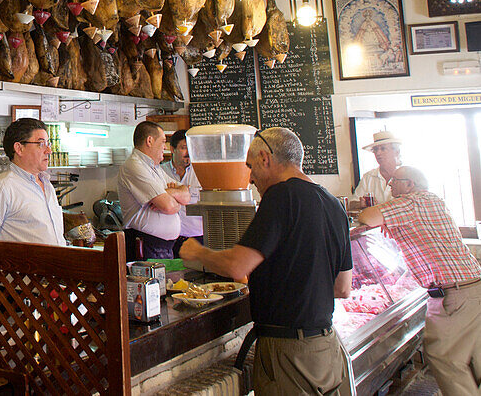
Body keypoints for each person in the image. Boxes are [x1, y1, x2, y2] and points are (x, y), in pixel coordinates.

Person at [180, 127, 353, 395]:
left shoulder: (281, 196)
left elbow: (237, 266)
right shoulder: (333, 203)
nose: (249, 178)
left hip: (288, 352)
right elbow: (342, 287)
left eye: (250, 167)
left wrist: (196, 252)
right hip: (326, 347)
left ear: (265, 158)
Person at [357, 166, 481, 395]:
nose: (389, 185)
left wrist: (381, 217)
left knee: (445, 359)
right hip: (471, 286)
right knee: (475, 360)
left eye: (394, 181)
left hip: (454, 296)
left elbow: (366, 216)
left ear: (410, 185)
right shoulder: (432, 200)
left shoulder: (410, 203)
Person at [0, 118, 65, 246]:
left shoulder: (47, 185)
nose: (48, 151)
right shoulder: (0, 188)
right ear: (19, 148)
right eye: (41, 144)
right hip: (20, 266)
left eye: (48, 143)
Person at [117, 121, 190, 259]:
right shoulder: (134, 166)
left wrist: (168, 193)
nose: (165, 146)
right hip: (145, 247)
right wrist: (173, 200)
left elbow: (186, 195)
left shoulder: (155, 167)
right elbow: (168, 206)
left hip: (162, 247)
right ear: (149, 141)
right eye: (163, 142)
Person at [160, 129, 203, 251]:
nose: (188, 152)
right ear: (172, 149)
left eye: (191, 148)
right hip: (168, 239)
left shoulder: (201, 172)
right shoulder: (160, 172)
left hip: (197, 237)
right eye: (184, 148)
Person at [350, 130, 402, 207]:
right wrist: (360, 204)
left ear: (396, 152)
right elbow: (352, 203)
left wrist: (378, 208)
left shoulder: (406, 176)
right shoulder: (368, 177)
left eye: (383, 149)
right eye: (375, 150)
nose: (378, 153)